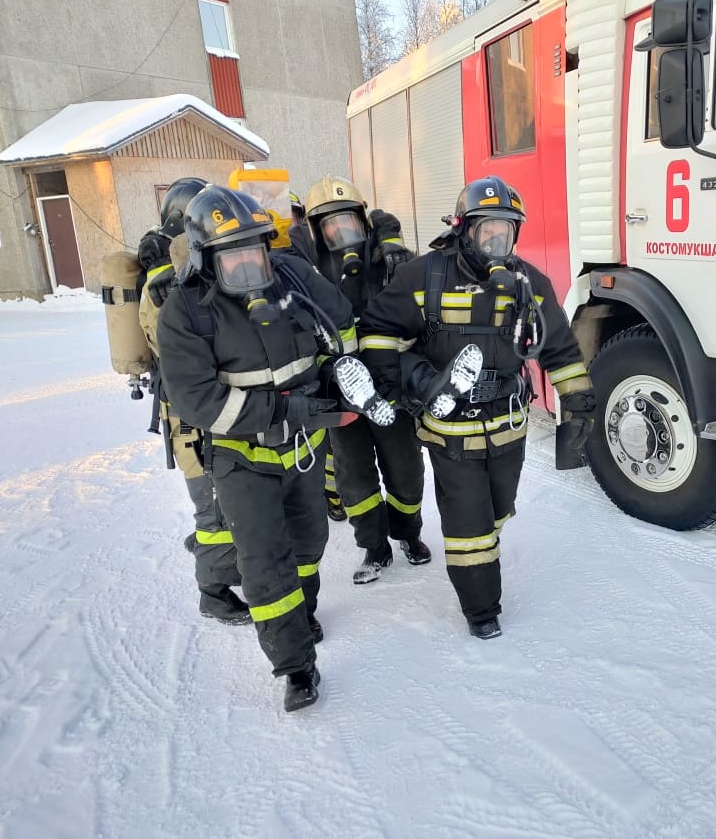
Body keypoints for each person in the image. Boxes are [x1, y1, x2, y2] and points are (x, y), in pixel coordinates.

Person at [156, 185, 396, 712]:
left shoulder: (293, 277)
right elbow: (198, 401)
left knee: (309, 545)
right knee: (265, 564)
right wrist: (286, 411)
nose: (248, 262)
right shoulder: (186, 311)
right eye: (233, 253)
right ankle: (295, 667)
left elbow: (341, 327)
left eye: (255, 248)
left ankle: (303, 612)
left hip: (305, 450)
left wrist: (344, 378)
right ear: (204, 257)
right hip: (242, 459)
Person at [357, 176, 596, 639]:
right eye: (486, 229)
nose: (495, 240)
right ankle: (481, 610)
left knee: (497, 511)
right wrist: (414, 382)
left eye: (505, 231)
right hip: (449, 427)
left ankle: (485, 554)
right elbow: (377, 336)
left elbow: (561, 350)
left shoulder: (530, 283)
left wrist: (580, 405)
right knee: (469, 526)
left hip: (508, 423)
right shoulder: (423, 276)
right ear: (464, 229)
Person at [302, 177, 485, 584]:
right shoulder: (307, 277)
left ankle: (408, 535)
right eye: (330, 225)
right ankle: (374, 548)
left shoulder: (391, 262)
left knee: (405, 470)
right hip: (341, 395)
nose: (340, 232)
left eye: (348, 220)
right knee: (354, 477)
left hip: (391, 386)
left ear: (364, 221)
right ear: (316, 230)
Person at [137, 177, 249, 626]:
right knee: (212, 503)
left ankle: (218, 555)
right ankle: (215, 592)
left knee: (217, 498)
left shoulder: (174, 272)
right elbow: (175, 348)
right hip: (191, 413)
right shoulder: (166, 285)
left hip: (189, 407)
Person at [286, 190, 345, 523]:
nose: (289, 222)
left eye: (294, 215)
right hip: (296, 362)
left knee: (332, 439)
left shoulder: (315, 253)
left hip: (324, 357)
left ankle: (334, 495)